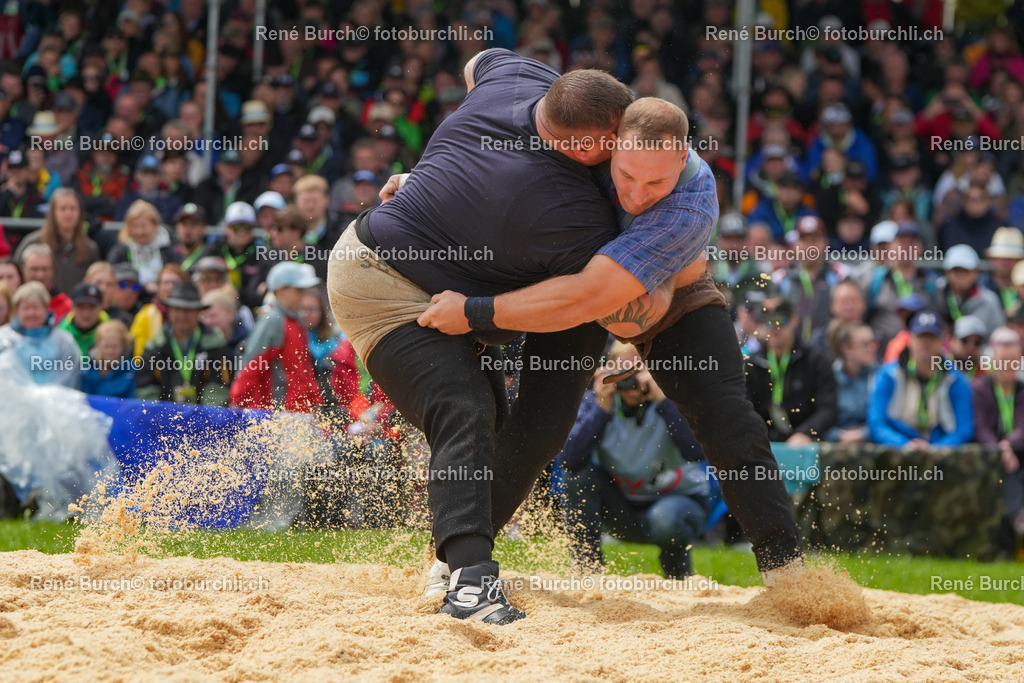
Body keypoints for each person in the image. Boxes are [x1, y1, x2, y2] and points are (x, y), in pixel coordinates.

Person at [405, 93, 803, 608]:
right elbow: (486, 150)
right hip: (571, 278)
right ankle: (453, 564)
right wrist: (421, 188)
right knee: (540, 426)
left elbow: (605, 300)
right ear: (610, 145)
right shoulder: (583, 148)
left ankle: (790, 578)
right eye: (626, 176)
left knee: (730, 420)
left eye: (655, 182)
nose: (637, 195)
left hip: (665, 295)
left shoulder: (694, 200)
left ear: (682, 159)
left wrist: (475, 311)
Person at [329, 48, 635, 624]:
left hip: (443, 268)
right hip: (380, 282)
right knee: (463, 408)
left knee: (509, 418)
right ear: (594, 141)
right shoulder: (565, 210)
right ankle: (471, 584)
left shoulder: (518, 76)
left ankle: (449, 561)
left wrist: (435, 173)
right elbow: (581, 301)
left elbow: (478, 62)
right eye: (622, 141)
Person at [558, 343, 708, 579]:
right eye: (623, 372)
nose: (632, 381)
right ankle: (588, 573)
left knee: (666, 520)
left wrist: (663, 401)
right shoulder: (597, 402)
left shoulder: (675, 398)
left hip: (678, 503)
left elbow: (696, 451)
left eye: (639, 370)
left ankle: (679, 576)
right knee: (578, 478)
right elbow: (569, 461)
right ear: (609, 372)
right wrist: (601, 409)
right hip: (623, 507)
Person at [867, 310, 974, 449]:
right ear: (910, 338)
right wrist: (904, 445)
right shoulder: (888, 375)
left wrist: (934, 449)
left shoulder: (956, 380)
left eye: (932, 337)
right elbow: (876, 424)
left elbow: (964, 430)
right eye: (921, 336)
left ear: (942, 340)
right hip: (896, 455)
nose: (926, 343)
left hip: (942, 458)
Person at [230, 262, 323, 413]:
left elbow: (304, 371)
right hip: (280, 416)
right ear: (281, 291)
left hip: (299, 414)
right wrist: (237, 406)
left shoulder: (294, 320)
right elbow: (251, 366)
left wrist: (315, 403)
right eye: (298, 290)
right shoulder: (274, 320)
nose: (303, 295)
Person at [744, 297, 838, 443]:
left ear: (794, 319)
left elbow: (828, 408)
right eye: (769, 322)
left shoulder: (816, 360)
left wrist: (806, 432)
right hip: (764, 442)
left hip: (807, 442)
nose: (775, 328)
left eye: (781, 321)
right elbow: (746, 410)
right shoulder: (752, 364)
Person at [971, 327, 1024, 558]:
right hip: (989, 457)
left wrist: (1008, 446)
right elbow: (980, 427)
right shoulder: (980, 388)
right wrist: (999, 449)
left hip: (1018, 454)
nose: (1008, 366)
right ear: (992, 361)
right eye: (1003, 360)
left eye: (1013, 361)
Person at [135, 281, 231, 406]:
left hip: (203, 418)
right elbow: (145, 389)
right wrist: (161, 418)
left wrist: (205, 417)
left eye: (187, 310)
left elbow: (219, 386)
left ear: (198, 312)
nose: (182, 315)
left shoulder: (216, 344)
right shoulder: (153, 347)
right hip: (163, 419)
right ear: (168, 311)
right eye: (177, 309)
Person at [13, 188, 99, 295]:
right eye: (63, 209)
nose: (68, 214)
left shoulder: (89, 248)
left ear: (80, 212)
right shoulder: (32, 242)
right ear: (53, 212)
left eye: (73, 209)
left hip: (75, 308)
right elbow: (15, 276)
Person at [0, 281, 81, 388]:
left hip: (56, 401)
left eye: (36, 307)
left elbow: (71, 375)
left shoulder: (64, 340)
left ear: (46, 309)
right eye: (26, 308)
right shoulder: (4, 338)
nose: (31, 313)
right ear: (16, 311)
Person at [200, 201, 264, 310]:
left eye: (247, 227)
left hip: (247, 309)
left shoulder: (260, 254)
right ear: (226, 227)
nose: (242, 231)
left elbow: (257, 296)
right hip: (213, 306)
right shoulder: (214, 249)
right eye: (236, 227)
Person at [107, 199, 178, 296]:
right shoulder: (120, 252)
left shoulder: (169, 249)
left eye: (144, 226)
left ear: (155, 225)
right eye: (135, 226)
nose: (140, 232)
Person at [825, 322, 878, 444]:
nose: (873, 348)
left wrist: (863, 434)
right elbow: (820, 416)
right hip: (833, 445)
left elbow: (886, 420)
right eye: (865, 344)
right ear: (846, 349)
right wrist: (838, 435)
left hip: (872, 446)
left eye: (874, 342)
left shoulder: (880, 376)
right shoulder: (829, 376)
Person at [938, 244, 1005, 336]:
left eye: (966, 270)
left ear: (976, 272)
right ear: (946, 272)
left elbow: (996, 335)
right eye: (956, 270)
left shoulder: (990, 301)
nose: (961, 275)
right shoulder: (936, 294)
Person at [80, 319, 136, 398]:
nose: (110, 351)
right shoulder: (88, 370)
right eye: (106, 346)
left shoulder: (131, 371)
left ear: (124, 346)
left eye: (116, 346)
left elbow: (132, 402)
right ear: (97, 344)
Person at [58, 282, 109, 355]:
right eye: (81, 307)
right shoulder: (61, 333)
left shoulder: (113, 333)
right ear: (72, 307)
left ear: (102, 307)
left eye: (92, 306)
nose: (86, 313)